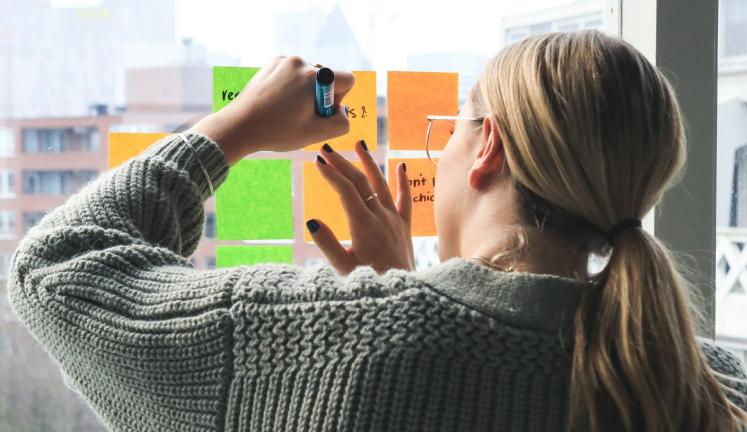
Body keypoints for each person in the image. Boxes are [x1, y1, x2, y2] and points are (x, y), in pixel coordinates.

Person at [8, 30, 747, 431]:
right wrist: (406, 292)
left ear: (486, 147)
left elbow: (58, 267)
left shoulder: (324, 345)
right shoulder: (711, 386)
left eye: (456, 126)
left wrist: (238, 126)